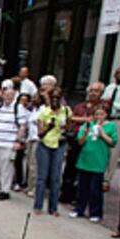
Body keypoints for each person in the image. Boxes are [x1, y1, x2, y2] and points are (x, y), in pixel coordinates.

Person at [70, 104, 117, 222]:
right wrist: (85, 133)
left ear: (106, 115)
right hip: (85, 160)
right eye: (96, 114)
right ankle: (79, 209)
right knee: (82, 188)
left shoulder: (111, 126)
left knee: (95, 189)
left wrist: (103, 134)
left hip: (99, 161)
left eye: (101, 114)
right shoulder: (88, 125)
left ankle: (95, 212)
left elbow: (113, 142)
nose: (99, 117)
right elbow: (80, 142)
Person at [61, 82, 105, 204]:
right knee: (70, 168)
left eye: (96, 91)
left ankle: (77, 197)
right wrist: (82, 119)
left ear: (101, 93)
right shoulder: (80, 106)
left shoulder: (101, 107)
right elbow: (70, 119)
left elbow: (93, 120)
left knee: (83, 172)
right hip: (76, 138)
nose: (92, 93)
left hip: (90, 141)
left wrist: (77, 119)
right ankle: (65, 194)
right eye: (91, 90)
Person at [0, 87, 27, 200]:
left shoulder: (18, 108)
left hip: (8, 143)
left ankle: (5, 190)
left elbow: (22, 126)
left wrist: (18, 141)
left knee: (6, 168)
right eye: (6, 95)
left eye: (11, 95)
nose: (8, 97)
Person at [34, 87, 72, 215]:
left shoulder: (66, 111)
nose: (55, 100)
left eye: (58, 97)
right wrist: (48, 127)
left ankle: (53, 208)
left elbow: (70, 126)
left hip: (59, 144)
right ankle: (38, 206)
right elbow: (40, 134)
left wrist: (66, 128)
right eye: (53, 98)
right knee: (42, 177)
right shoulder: (44, 112)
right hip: (45, 144)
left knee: (56, 178)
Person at [25, 91, 45, 196]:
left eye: (35, 98)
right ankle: (29, 185)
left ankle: (34, 188)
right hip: (31, 138)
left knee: (34, 164)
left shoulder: (43, 110)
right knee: (29, 163)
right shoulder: (33, 110)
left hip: (38, 139)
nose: (33, 100)